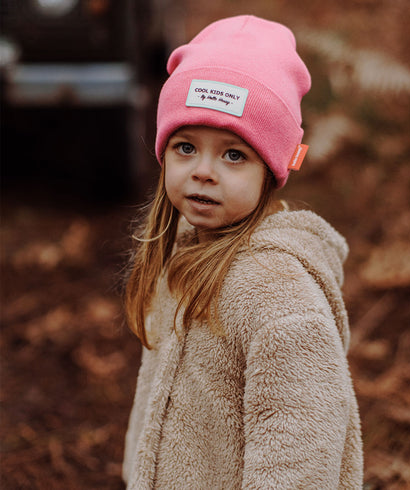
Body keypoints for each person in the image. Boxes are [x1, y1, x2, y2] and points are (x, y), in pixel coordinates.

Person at [122, 15, 363, 489]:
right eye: (185, 147)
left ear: (273, 169)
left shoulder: (281, 298)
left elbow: (300, 458)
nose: (203, 171)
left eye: (234, 154)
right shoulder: (180, 258)